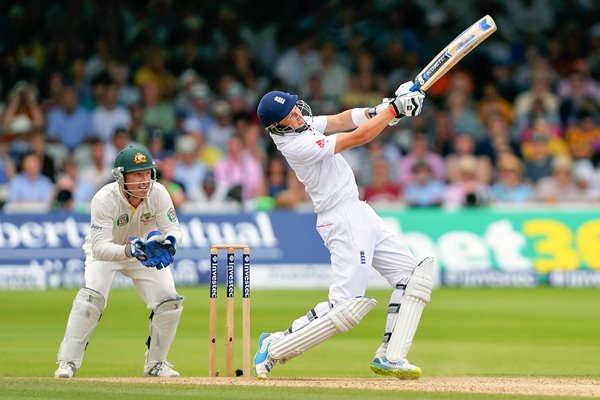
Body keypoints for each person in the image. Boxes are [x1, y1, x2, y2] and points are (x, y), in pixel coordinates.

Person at [253, 84, 433, 380]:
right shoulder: (296, 146)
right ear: (277, 126)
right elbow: (358, 136)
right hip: (340, 218)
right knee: (346, 306)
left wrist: (383, 109)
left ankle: (391, 355)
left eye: (294, 106)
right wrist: (394, 111)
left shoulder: (300, 125)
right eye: (289, 113)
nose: (297, 113)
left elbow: (342, 119)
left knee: (413, 277)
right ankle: (276, 344)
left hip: (359, 210)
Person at [54, 145, 184, 379]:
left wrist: (171, 242)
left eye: (147, 173)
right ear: (120, 176)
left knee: (170, 302)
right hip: (110, 251)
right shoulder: (104, 199)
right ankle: (67, 363)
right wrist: (129, 249)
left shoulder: (159, 192)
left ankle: (155, 364)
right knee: (91, 299)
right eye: (137, 174)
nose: (144, 180)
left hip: (142, 250)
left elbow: (174, 228)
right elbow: (100, 248)